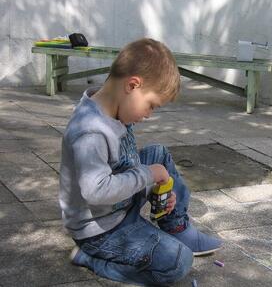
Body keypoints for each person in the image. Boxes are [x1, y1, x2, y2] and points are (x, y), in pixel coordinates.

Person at [59, 38, 221, 286]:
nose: (148, 115)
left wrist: (159, 191)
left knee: (159, 154)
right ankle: (93, 260)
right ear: (133, 85)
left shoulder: (117, 110)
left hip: (120, 207)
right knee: (178, 262)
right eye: (151, 106)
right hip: (101, 229)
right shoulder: (90, 130)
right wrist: (148, 176)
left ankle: (175, 226)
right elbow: (96, 191)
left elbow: (127, 164)